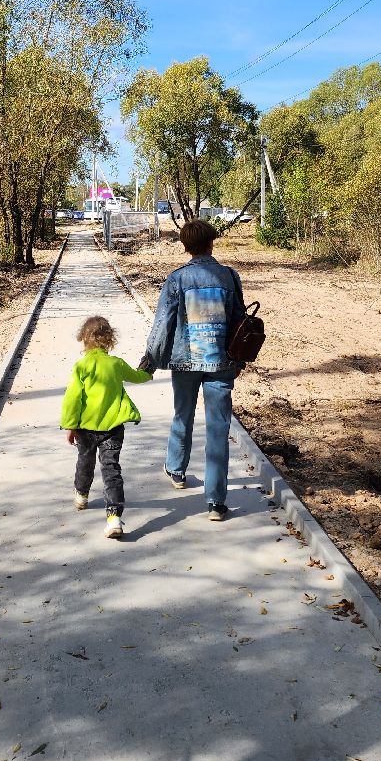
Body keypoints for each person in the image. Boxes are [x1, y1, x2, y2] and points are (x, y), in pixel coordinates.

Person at [138, 219, 246, 522]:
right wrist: (239, 361)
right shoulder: (229, 277)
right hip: (221, 363)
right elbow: (239, 320)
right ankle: (215, 502)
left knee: (182, 414)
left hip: (185, 363)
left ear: (185, 247)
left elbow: (163, 324)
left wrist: (150, 360)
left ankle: (176, 471)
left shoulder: (177, 280)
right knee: (218, 428)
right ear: (212, 243)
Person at [60, 315, 152, 539]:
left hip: (86, 428)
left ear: (84, 339)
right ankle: (114, 518)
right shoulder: (117, 364)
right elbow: (138, 376)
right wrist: (148, 371)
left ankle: (81, 495)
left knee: (85, 460)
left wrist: (71, 426)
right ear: (110, 339)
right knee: (111, 469)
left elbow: (73, 399)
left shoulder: (81, 366)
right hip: (113, 428)